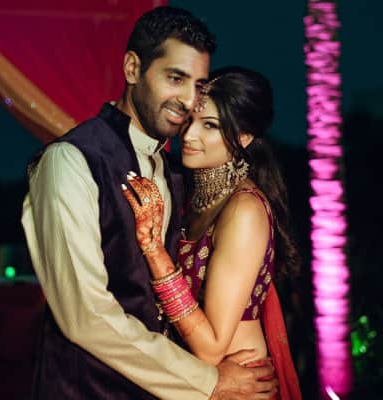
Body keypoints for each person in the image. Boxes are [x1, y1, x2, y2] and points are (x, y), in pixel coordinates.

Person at [22, 7, 277, 400]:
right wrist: (207, 381)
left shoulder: (174, 175)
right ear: (132, 68)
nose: (188, 100)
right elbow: (85, 316)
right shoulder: (71, 161)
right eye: (175, 78)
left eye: (198, 85)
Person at [123, 66, 303, 399]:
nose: (189, 135)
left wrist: (153, 249)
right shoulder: (194, 197)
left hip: (238, 387)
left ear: (244, 137)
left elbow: (211, 347)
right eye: (189, 119)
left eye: (210, 125)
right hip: (200, 384)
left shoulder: (243, 210)